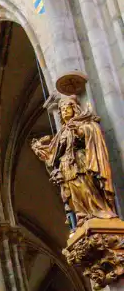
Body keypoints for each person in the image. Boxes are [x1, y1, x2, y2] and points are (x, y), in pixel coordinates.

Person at [31, 96, 118, 228]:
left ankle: (98, 211)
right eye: (62, 109)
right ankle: (82, 215)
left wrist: (78, 131)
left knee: (86, 188)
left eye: (67, 108)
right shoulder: (62, 132)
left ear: (74, 109)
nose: (65, 111)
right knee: (74, 192)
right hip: (67, 167)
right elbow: (53, 152)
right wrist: (40, 149)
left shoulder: (82, 123)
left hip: (80, 162)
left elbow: (92, 131)